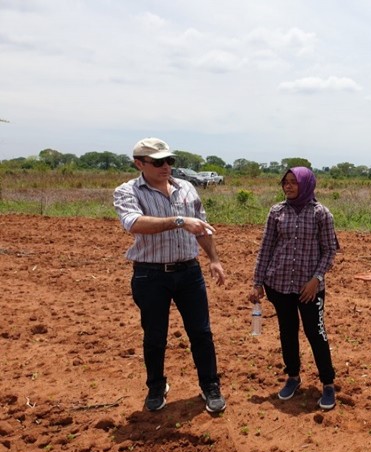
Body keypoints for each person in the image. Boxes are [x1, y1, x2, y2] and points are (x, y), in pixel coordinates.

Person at [113, 137, 227, 413]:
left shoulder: (186, 188)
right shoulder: (127, 191)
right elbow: (134, 223)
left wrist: (214, 259)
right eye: (158, 162)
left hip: (189, 272)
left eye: (170, 161)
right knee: (154, 335)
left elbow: (201, 226)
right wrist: (178, 221)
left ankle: (210, 386)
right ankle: (155, 386)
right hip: (150, 275)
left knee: (201, 332)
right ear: (139, 163)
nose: (166, 166)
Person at [249, 167, 339, 410]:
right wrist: (258, 282)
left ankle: (328, 383)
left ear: (306, 184)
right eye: (285, 182)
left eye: (293, 182)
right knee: (287, 332)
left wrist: (316, 279)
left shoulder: (321, 214)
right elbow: (266, 248)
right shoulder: (277, 212)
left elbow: (330, 250)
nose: (288, 186)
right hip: (278, 284)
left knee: (316, 333)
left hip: (309, 288)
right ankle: (293, 377)